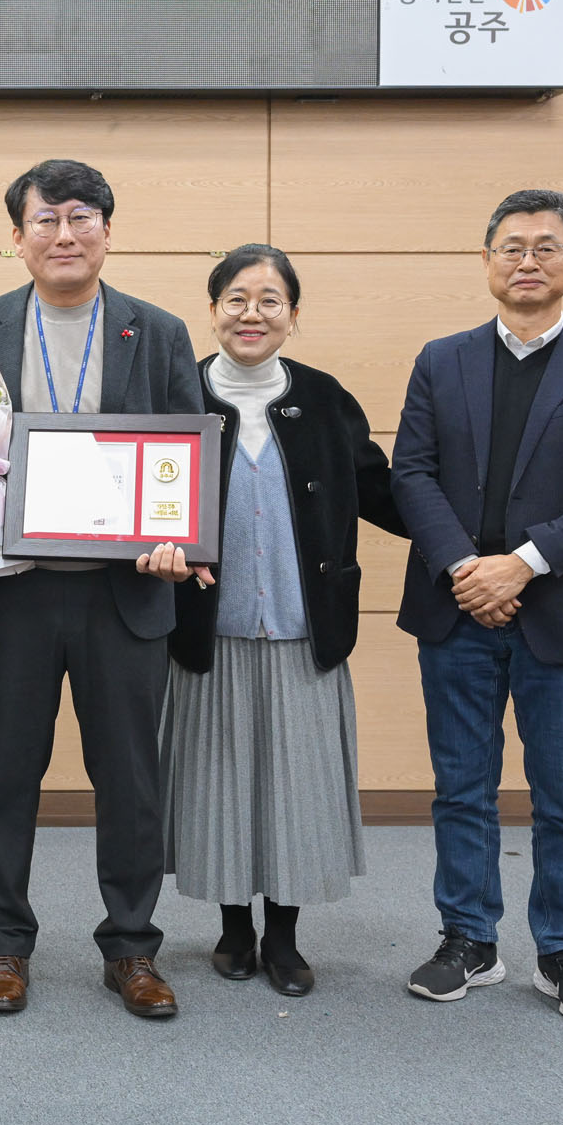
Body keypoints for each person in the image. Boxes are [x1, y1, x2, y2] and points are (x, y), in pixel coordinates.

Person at [0, 158, 204, 1020]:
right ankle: (3, 944)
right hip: (13, 591)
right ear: (17, 238)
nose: (64, 234)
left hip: (123, 595)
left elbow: (186, 456)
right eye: (45, 220)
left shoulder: (156, 331)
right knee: (6, 772)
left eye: (81, 217)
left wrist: (180, 538)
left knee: (130, 779)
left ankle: (131, 946)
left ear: (106, 231)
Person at [390, 188, 563, 1025]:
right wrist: (469, 568)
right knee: (461, 787)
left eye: (545, 246)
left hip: (561, 610)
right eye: (511, 247)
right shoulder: (442, 360)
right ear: (487, 260)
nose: (527, 261)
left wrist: (522, 566)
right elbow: (411, 474)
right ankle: (468, 938)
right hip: (457, 607)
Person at [160, 244, 405, 998]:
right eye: (236, 299)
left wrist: (468, 532)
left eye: (270, 300)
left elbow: (381, 491)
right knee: (221, 785)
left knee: (297, 788)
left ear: (293, 316)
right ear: (212, 311)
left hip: (305, 630)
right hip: (209, 629)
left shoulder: (325, 398)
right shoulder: (176, 394)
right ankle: (234, 927)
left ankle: (286, 937)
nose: (252, 314)